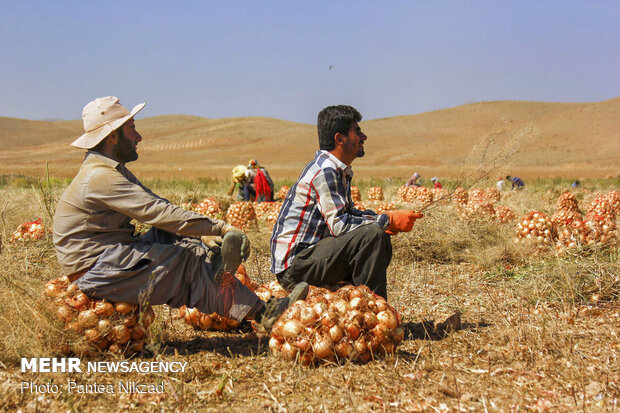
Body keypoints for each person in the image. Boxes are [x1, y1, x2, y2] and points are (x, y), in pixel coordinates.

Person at [52, 96, 308, 332]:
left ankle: (214, 261)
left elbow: (156, 203)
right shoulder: (101, 177)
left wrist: (201, 233)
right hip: (94, 270)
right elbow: (156, 212)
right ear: (112, 137)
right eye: (132, 129)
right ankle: (263, 313)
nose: (139, 137)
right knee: (186, 263)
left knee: (178, 238)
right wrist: (219, 228)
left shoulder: (110, 169)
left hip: (111, 254)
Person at [270, 105, 423, 300]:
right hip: (295, 267)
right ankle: (372, 312)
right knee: (372, 235)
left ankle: (359, 304)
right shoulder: (325, 171)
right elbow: (340, 225)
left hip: (312, 257)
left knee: (379, 234)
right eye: (357, 131)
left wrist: (384, 219)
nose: (364, 137)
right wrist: (387, 220)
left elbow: (348, 214)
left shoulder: (338, 170)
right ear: (340, 138)